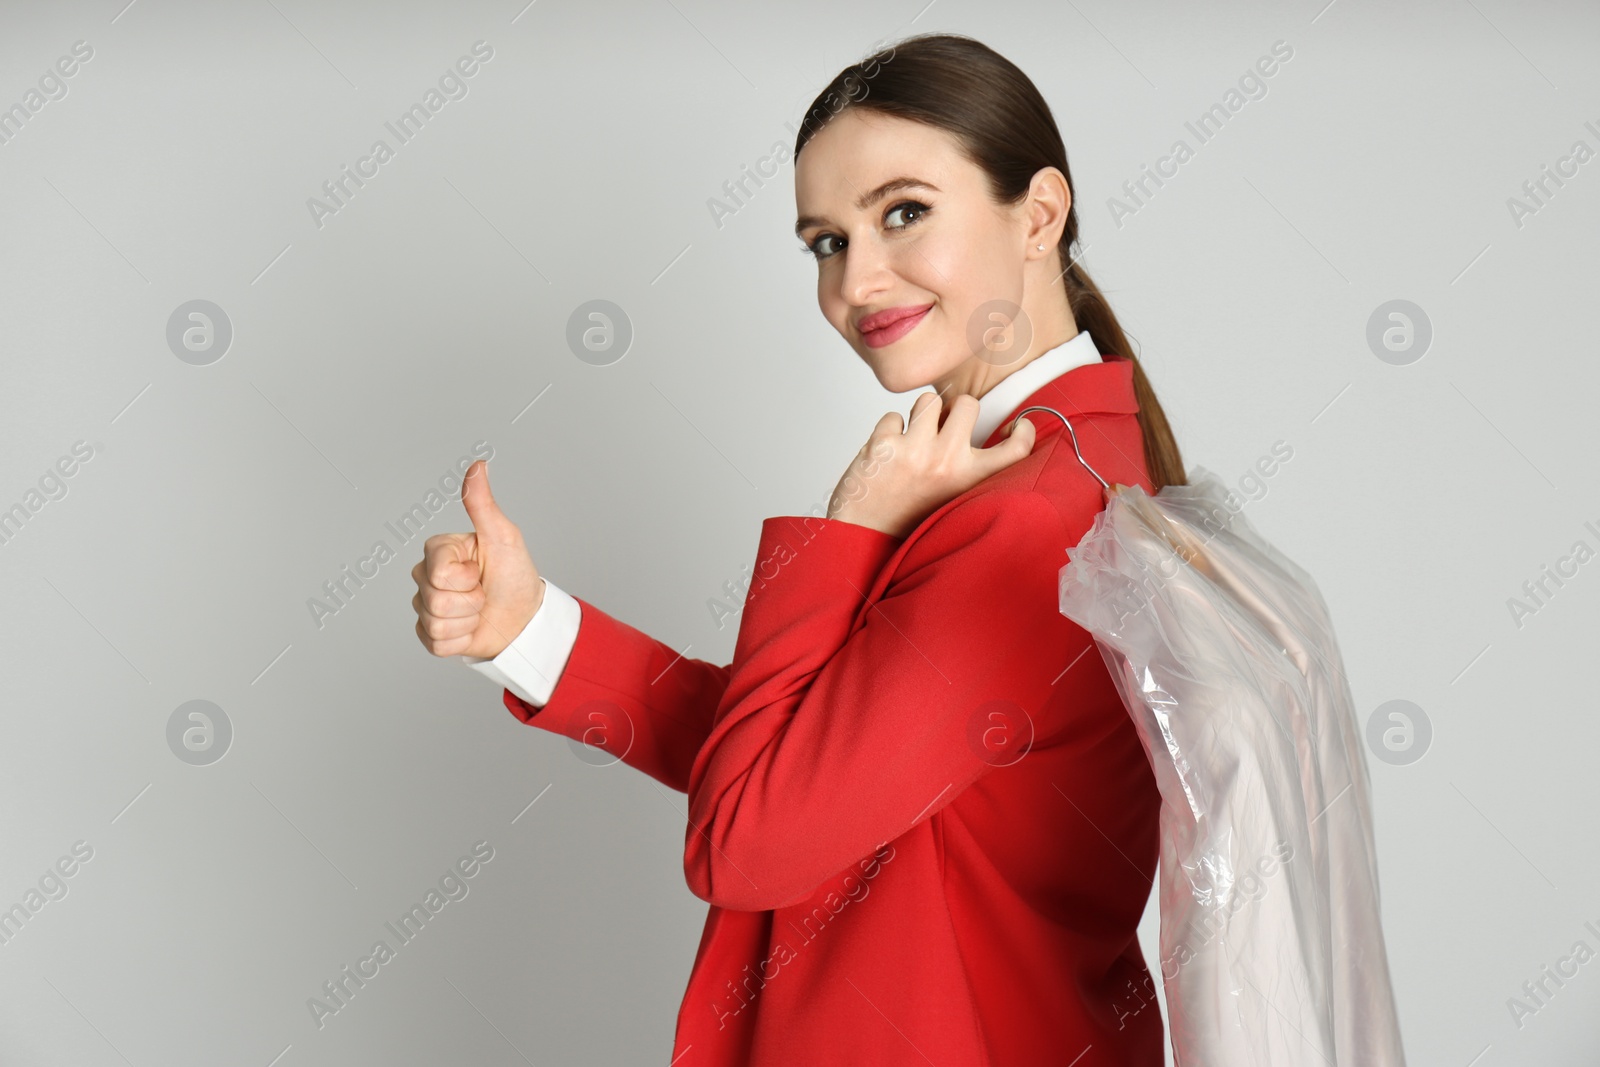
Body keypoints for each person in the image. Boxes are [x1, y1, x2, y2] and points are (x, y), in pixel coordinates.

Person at [412, 31, 1187, 1067]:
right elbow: (810, 761)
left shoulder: (1029, 519)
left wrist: (851, 526)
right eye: (826, 240)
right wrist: (534, 631)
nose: (857, 280)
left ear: (1038, 213)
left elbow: (749, 834)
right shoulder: (1046, 469)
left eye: (903, 212)